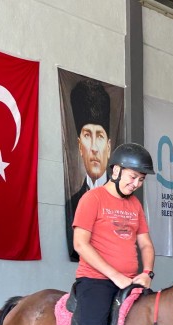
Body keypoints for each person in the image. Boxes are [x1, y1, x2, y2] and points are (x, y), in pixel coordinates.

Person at [28, 143, 156, 325]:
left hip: (131, 281)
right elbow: (80, 244)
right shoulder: (92, 199)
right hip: (95, 280)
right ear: (116, 170)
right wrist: (115, 276)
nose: (136, 184)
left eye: (141, 180)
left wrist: (147, 273)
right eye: (133, 177)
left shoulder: (135, 205)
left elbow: (145, 244)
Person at [65, 80, 112, 261]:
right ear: (79, 146)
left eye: (99, 136)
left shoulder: (122, 202)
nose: (93, 147)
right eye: (87, 135)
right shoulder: (73, 202)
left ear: (108, 146)